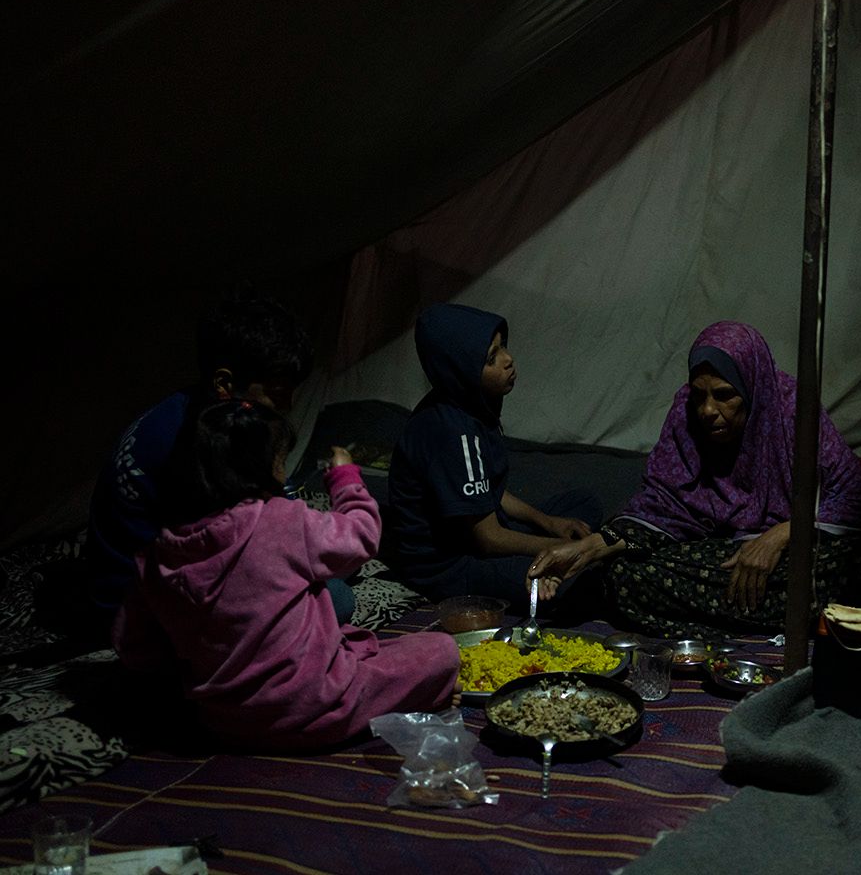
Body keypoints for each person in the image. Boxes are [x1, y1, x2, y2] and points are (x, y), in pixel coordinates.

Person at [114, 400, 457, 750]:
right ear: (254, 472)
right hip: (318, 709)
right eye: (279, 462)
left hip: (224, 722)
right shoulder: (279, 521)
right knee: (441, 650)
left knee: (332, 613)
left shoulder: (158, 552)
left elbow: (135, 649)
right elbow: (361, 536)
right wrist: (345, 479)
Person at [528, 320, 861, 638]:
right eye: (699, 395)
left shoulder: (792, 409)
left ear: (753, 388)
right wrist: (589, 549)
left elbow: (858, 496)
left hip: (796, 548)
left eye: (724, 396)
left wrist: (782, 534)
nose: (707, 411)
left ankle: (724, 612)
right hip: (717, 553)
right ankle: (758, 616)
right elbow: (661, 504)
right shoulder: (685, 412)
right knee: (624, 575)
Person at [79, 288, 349, 637]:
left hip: (175, 576)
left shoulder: (199, 410)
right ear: (225, 382)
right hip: (140, 608)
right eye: (278, 391)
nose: (289, 405)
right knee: (337, 598)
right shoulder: (190, 447)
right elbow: (224, 556)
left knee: (332, 560)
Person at [384, 303, 602, 606]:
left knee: (583, 504)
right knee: (578, 586)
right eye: (491, 358)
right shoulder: (452, 430)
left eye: (503, 347)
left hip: (477, 531)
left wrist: (549, 522)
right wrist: (560, 547)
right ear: (462, 371)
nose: (508, 360)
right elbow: (487, 539)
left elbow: (488, 493)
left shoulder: (470, 404)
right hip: (449, 565)